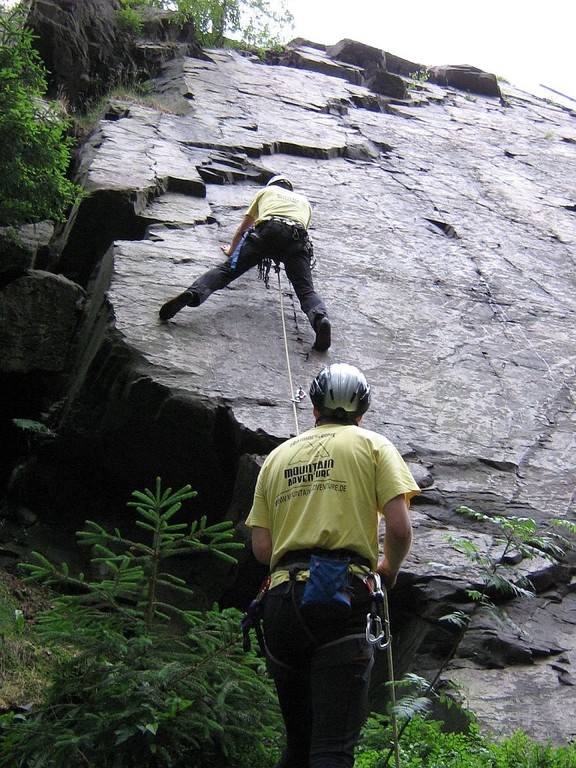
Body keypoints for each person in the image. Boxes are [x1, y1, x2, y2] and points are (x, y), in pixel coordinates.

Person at [245, 363, 419, 768]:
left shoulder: (276, 458)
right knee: (332, 748)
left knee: (299, 745)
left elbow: (261, 547)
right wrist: (388, 568)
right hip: (342, 598)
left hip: (283, 601)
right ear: (363, 410)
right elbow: (399, 528)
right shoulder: (374, 446)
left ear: (314, 408)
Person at [159, 175, 332, 351]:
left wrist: (231, 251)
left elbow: (243, 228)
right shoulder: (304, 202)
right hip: (296, 240)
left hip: (268, 232)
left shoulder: (266, 191)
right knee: (306, 290)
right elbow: (300, 232)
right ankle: (320, 319)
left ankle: (194, 293)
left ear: (272, 184)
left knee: (226, 272)